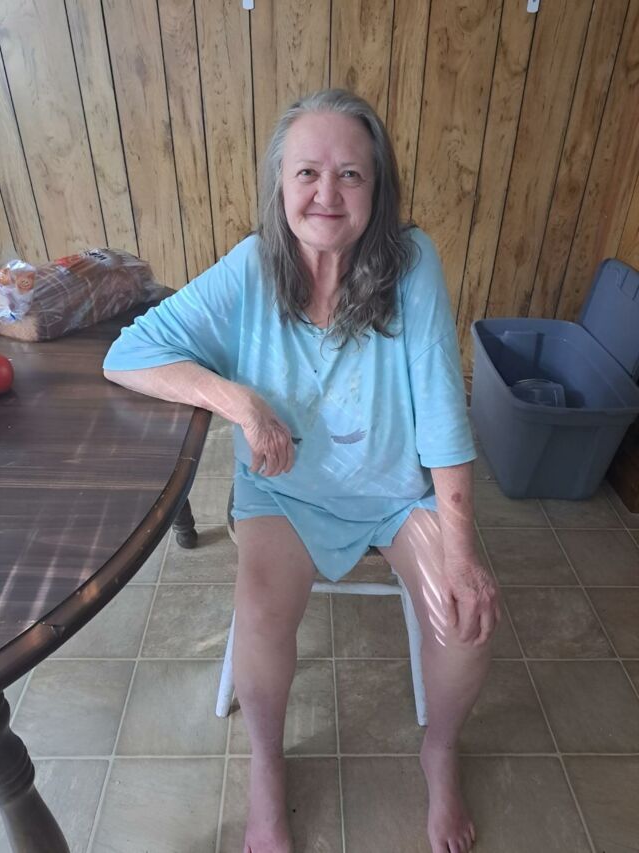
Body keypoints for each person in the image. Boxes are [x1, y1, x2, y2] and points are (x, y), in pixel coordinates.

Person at [104, 88, 501, 853]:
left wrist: (461, 551)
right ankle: (265, 763)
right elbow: (129, 354)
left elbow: (444, 413)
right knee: (258, 612)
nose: (327, 193)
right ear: (280, 185)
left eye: (350, 174)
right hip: (284, 495)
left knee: (467, 623)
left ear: (377, 190)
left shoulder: (412, 265)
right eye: (308, 173)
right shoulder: (252, 267)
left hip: (396, 493)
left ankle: (441, 748)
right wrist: (239, 401)